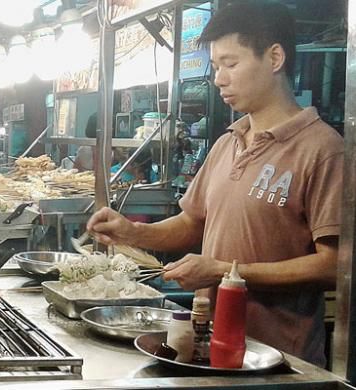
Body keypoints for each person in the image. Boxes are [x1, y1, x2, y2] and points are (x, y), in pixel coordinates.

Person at [87, 1, 342, 367]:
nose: (219, 78)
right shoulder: (228, 143)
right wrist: (130, 233)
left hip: (281, 362)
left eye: (231, 63)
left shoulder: (322, 149)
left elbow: (333, 266)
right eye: (216, 66)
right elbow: (193, 223)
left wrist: (224, 271)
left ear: (274, 58)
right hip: (212, 348)